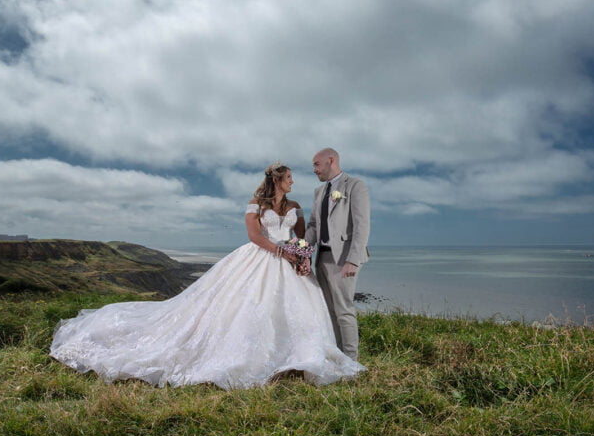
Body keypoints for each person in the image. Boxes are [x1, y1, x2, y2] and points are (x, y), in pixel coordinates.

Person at [49, 162, 365, 389]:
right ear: (277, 179)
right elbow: (255, 237)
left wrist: (301, 257)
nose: (293, 181)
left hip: (288, 262)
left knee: (296, 310)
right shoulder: (256, 204)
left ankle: (294, 359)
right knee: (247, 307)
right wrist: (281, 252)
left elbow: (299, 236)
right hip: (260, 258)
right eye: (289, 177)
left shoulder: (295, 205)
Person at [305, 148, 370, 361]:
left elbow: (362, 225)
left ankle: (351, 362)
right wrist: (304, 250)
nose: (314, 169)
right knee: (329, 310)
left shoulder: (354, 186)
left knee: (344, 310)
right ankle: (338, 357)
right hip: (321, 258)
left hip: (344, 259)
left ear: (330, 160)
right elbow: (314, 225)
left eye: (316, 164)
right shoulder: (318, 192)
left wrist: (353, 259)